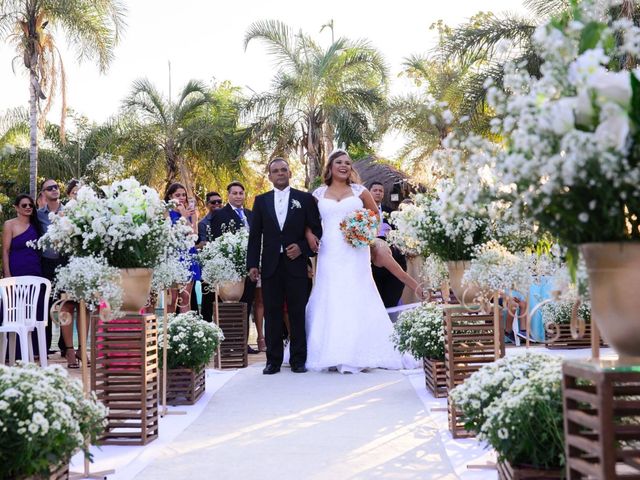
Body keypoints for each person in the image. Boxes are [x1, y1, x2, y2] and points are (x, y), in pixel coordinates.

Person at [304, 149, 421, 373]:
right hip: (330, 250)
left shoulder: (360, 191)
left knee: (357, 291)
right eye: (339, 162)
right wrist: (310, 235)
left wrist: (363, 231)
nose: (344, 166)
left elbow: (375, 216)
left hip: (355, 249)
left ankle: (361, 351)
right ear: (330, 167)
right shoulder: (318, 193)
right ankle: (330, 351)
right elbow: (309, 221)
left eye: (347, 163)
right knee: (330, 293)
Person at [247, 158, 322, 374]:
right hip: (270, 265)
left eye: (283, 170)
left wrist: (301, 247)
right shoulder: (261, 201)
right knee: (272, 312)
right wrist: (252, 264)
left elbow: (316, 230)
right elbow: (255, 236)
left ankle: (299, 360)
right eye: (275, 171)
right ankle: (273, 361)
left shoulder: (304, 199)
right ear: (270, 176)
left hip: (296, 264)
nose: (280, 173)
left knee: (298, 311)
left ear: (290, 173)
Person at [211, 181, 259, 354]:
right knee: (230, 307)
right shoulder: (220, 215)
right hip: (230, 268)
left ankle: (242, 343)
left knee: (246, 304)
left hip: (250, 266)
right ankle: (227, 344)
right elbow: (217, 240)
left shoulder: (251, 214)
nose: (238, 196)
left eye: (241, 193)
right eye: (235, 193)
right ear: (228, 195)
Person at [369, 181, 408, 308]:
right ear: (369, 192)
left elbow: (398, 232)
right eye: (375, 190)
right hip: (370, 255)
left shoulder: (390, 212)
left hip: (391, 253)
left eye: (381, 191)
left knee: (392, 291)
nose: (378, 193)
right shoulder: (362, 212)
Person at [165, 183, 200, 314]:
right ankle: (168, 328)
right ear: (170, 196)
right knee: (172, 298)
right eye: (177, 195)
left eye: (183, 195)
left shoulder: (192, 213)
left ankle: (185, 328)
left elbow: (193, 235)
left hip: (188, 255)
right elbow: (170, 234)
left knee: (185, 297)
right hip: (173, 256)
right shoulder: (166, 212)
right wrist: (182, 215)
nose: (181, 198)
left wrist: (185, 216)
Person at [197, 191, 223, 322]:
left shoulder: (227, 218)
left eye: (219, 201)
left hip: (226, 267)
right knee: (208, 301)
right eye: (214, 202)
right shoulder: (202, 223)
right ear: (207, 205)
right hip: (208, 268)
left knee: (224, 302)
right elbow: (202, 244)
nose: (217, 204)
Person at [2, 194, 42, 278]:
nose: (28, 207)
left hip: (35, 269)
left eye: (30, 205)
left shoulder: (36, 224)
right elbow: (5, 251)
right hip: (16, 269)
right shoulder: (9, 224)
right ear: (16, 208)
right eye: (24, 205)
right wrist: (7, 273)